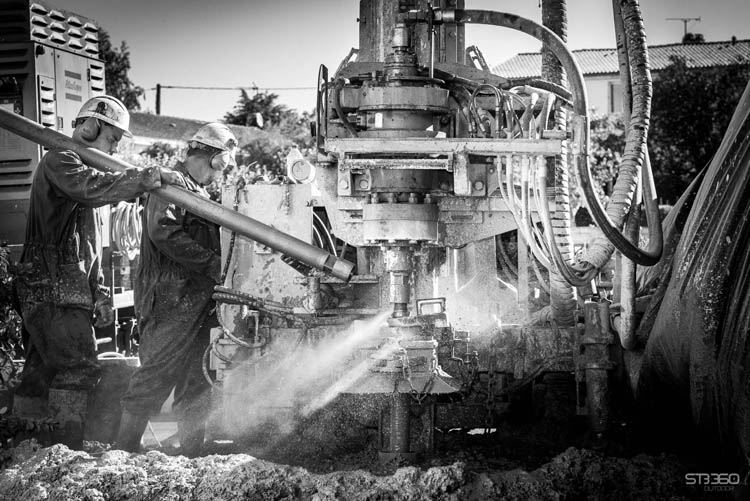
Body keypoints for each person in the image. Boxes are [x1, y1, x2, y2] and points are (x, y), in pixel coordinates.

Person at [13, 95, 183, 448]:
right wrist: (146, 177)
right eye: (113, 138)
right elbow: (89, 190)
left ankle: (25, 448)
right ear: (91, 127)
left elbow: (86, 245)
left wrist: (99, 290)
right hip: (51, 285)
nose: (115, 147)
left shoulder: (85, 170)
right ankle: (66, 448)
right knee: (78, 369)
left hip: (63, 285)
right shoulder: (62, 160)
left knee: (40, 374)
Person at [116, 123, 238, 456]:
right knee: (156, 374)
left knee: (195, 379)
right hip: (170, 295)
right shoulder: (170, 184)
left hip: (196, 299)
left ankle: (192, 454)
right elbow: (162, 231)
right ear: (213, 158)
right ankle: (123, 451)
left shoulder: (198, 192)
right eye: (222, 165)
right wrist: (212, 263)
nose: (220, 174)